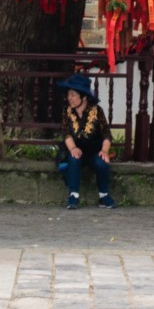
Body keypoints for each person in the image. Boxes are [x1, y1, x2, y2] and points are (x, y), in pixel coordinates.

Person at [55, 72, 116, 209]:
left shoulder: (97, 111)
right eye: (68, 94)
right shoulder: (67, 111)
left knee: (101, 162)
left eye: (73, 94)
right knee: (74, 158)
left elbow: (106, 134)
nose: (69, 98)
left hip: (94, 150)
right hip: (76, 149)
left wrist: (104, 151)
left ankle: (104, 196)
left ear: (83, 96)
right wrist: (73, 148)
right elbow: (66, 134)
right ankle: (73, 196)